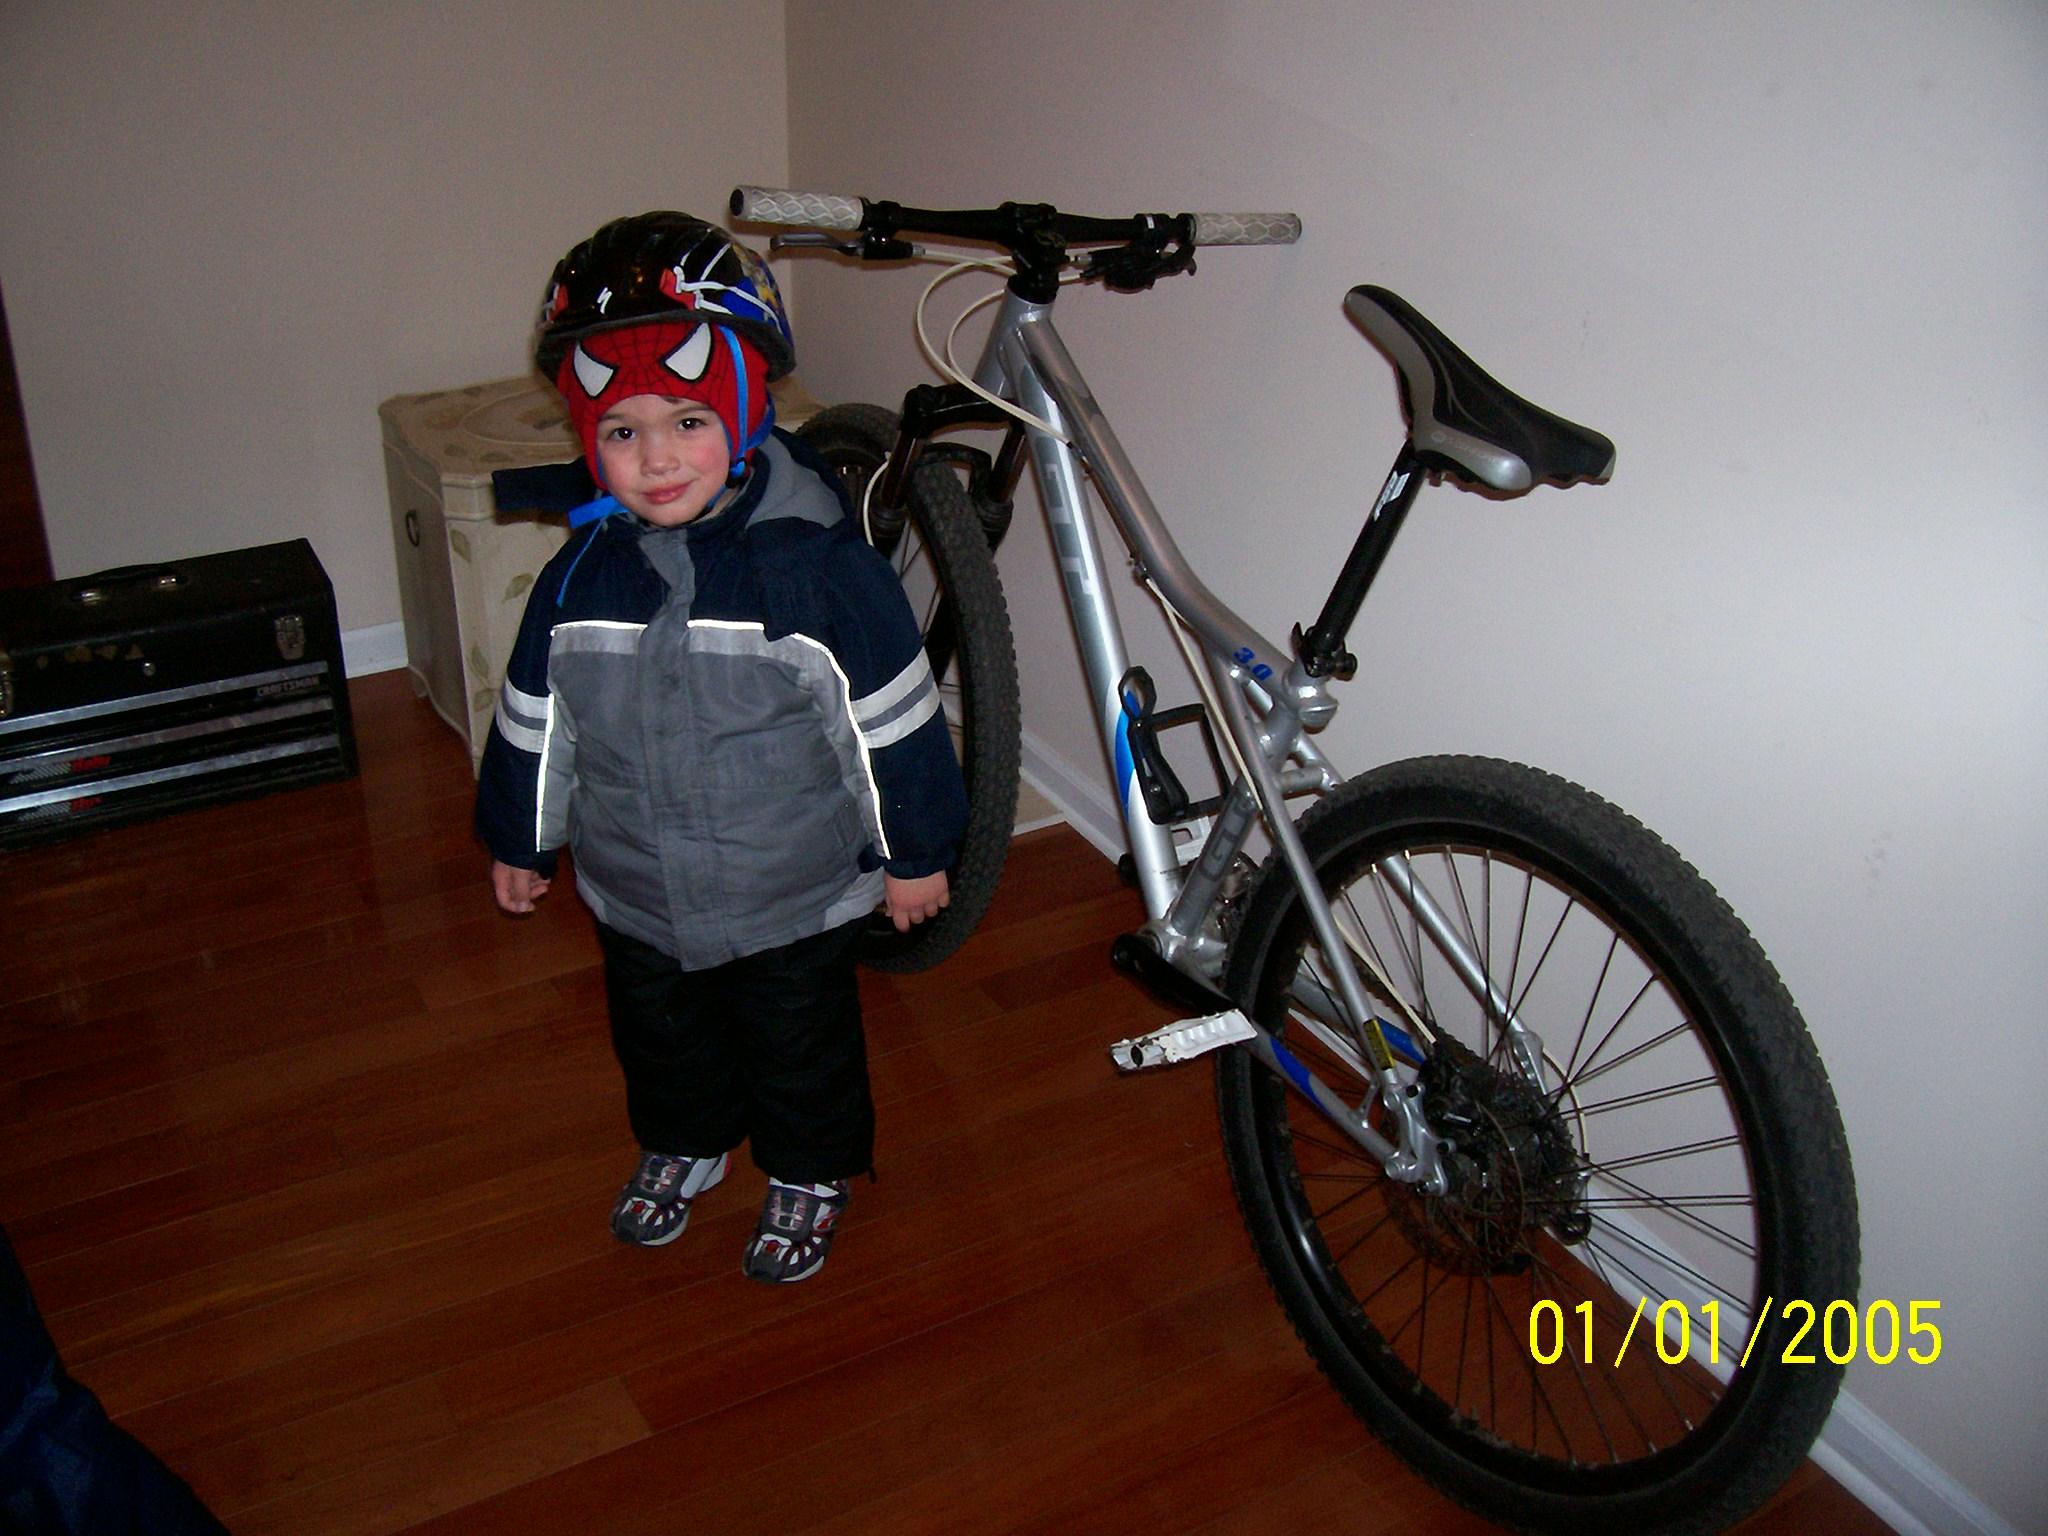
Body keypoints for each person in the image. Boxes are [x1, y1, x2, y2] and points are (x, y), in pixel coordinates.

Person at [474, 212, 968, 1283]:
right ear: (585, 439)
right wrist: (521, 835)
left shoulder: (814, 571)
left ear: (745, 409)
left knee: (800, 1044)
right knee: (661, 1039)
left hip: (789, 890)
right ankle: (687, 1141)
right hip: (633, 884)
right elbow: (534, 715)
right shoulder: (579, 576)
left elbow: (889, 722)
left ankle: (808, 1167)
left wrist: (917, 852)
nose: (655, 459)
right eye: (620, 431)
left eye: (689, 418)